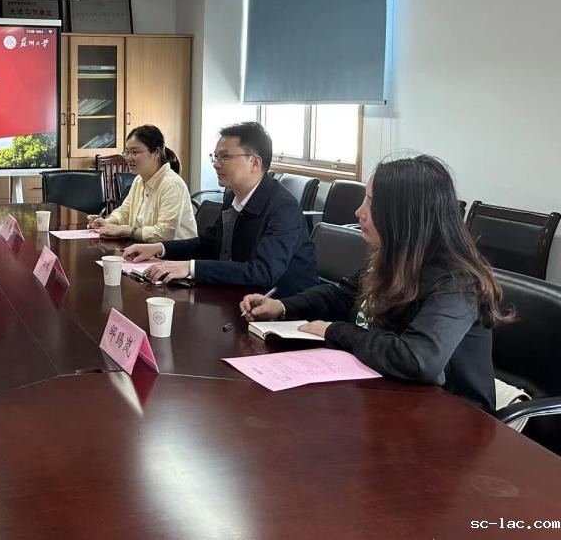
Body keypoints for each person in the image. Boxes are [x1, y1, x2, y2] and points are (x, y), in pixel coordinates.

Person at [239, 155, 511, 412]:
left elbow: (418, 360)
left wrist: (336, 331)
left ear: (405, 215)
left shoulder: (455, 282)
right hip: (393, 394)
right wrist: (282, 306)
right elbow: (343, 296)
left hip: (454, 417)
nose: (359, 212)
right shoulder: (395, 256)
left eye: (371, 203)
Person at [124, 121, 317, 296]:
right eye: (215, 156)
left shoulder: (283, 208)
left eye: (224, 157)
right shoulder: (232, 195)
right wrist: (159, 248)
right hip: (240, 296)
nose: (216, 164)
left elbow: (262, 272)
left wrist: (191, 268)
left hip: (284, 309)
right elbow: (210, 244)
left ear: (255, 162)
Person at [86, 125, 196, 242]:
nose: (129, 158)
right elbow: (125, 212)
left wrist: (124, 230)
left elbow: (163, 234)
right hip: (145, 247)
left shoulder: (172, 184)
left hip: (174, 252)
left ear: (156, 152)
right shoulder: (139, 180)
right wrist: (106, 222)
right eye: (126, 152)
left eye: (135, 152)